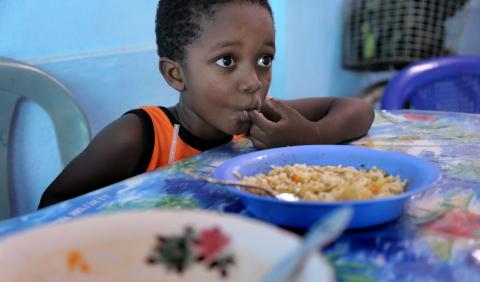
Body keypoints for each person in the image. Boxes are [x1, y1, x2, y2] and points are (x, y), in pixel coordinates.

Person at [39, 0, 374, 208]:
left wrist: (311, 135)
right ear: (175, 74)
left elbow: (358, 110)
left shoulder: (264, 121)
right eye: (227, 61)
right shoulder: (141, 137)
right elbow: (50, 207)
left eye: (265, 59)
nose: (253, 82)